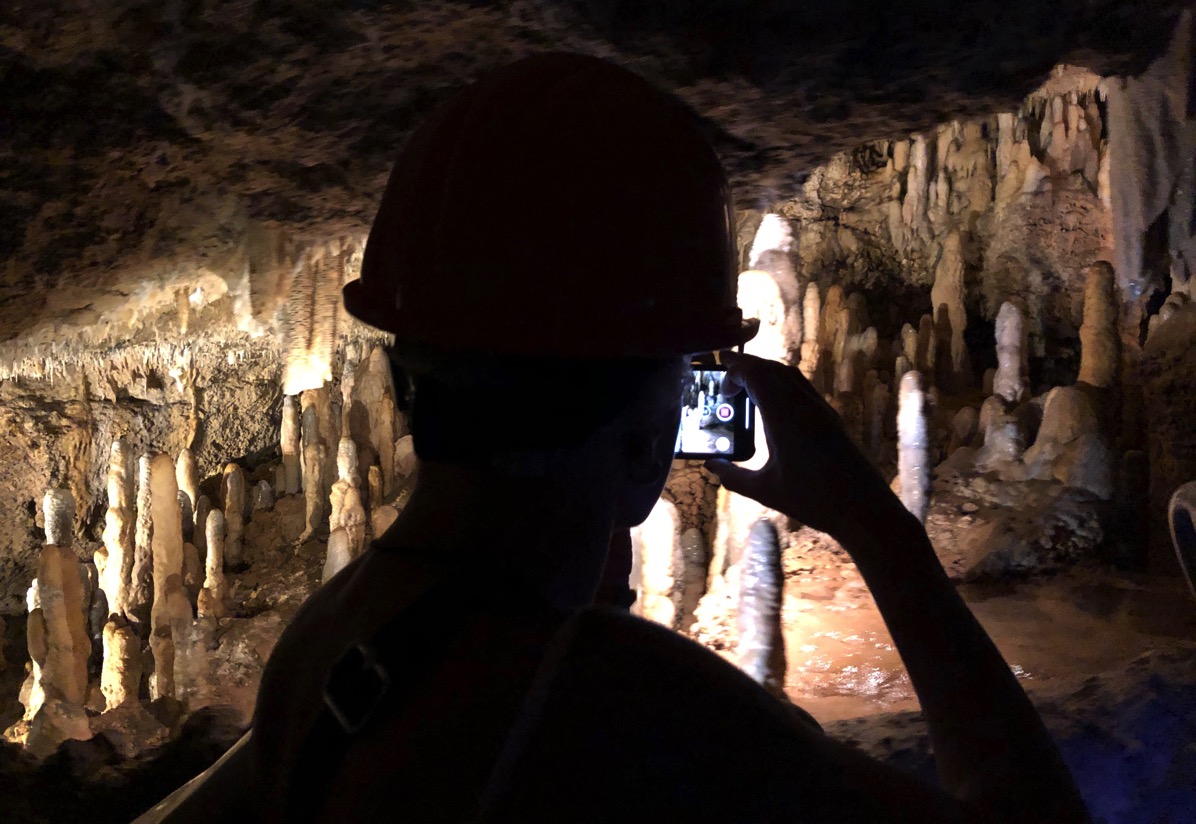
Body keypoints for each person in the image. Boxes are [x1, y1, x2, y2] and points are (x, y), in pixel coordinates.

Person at [137, 53, 1090, 822]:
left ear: (403, 379)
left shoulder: (325, 645)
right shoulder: (633, 707)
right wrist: (878, 527)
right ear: (645, 431)